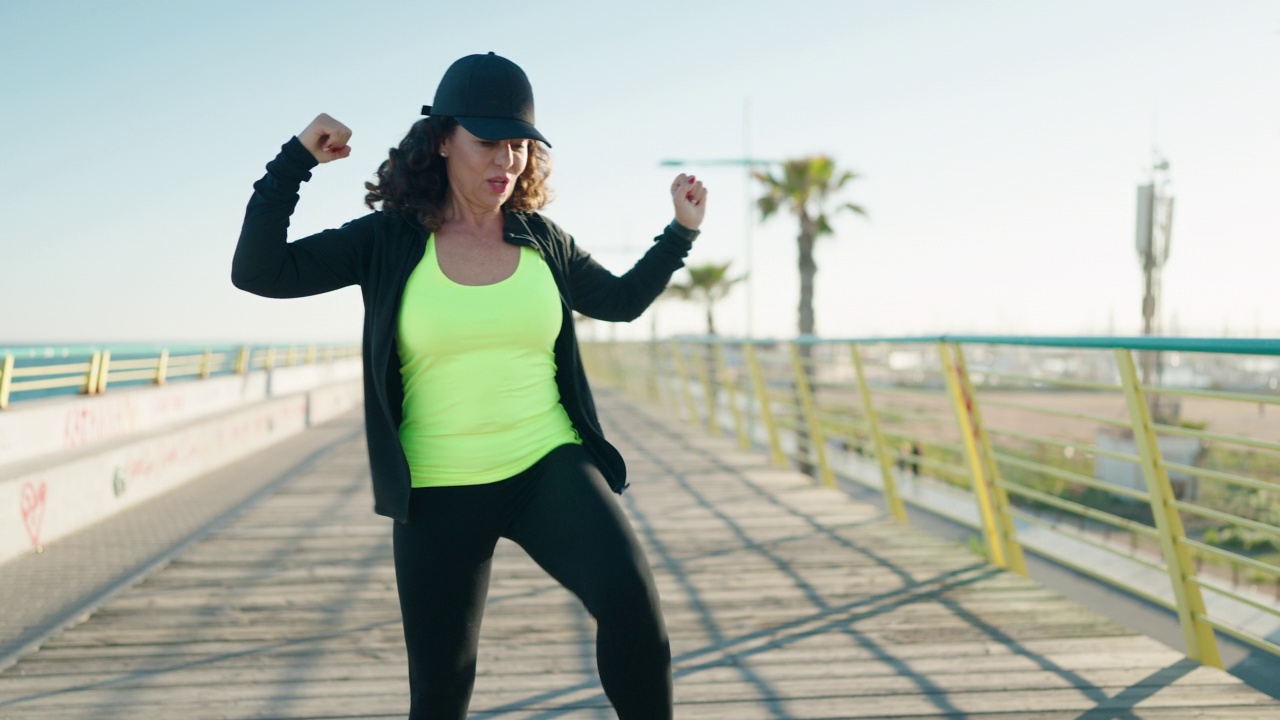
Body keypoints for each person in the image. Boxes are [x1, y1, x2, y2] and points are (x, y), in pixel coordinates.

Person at [231, 52, 705, 719]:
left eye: (518, 146)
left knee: (632, 606)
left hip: (548, 466)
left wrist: (680, 233)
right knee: (441, 690)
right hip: (437, 488)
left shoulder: (544, 240)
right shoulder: (388, 241)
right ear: (444, 139)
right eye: (489, 142)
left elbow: (622, 301)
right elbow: (261, 272)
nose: (506, 161)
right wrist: (295, 160)